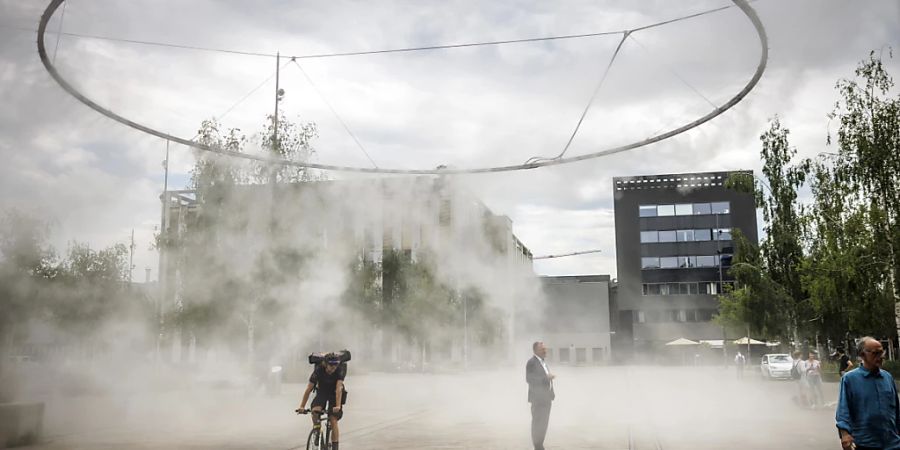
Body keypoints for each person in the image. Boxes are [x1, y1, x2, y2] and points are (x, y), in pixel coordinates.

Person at [835, 337, 900, 450]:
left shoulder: (887, 377)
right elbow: (843, 411)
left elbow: (896, 410)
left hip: (892, 443)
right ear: (862, 354)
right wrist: (845, 434)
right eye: (876, 353)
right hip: (866, 443)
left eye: (882, 352)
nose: (881, 356)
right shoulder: (849, 379)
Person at [297, 352, 347, 450]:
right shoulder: (318, 370)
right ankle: (317, 431)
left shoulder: (340, 370)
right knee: (315, 412)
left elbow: (338, 389)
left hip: (334, 393)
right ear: (325, 364)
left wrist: (337, 406)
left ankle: (335, 447)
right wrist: (302, 406)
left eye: (335, 366)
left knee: (333, 420)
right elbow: (308, 389)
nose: (333, 368)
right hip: (322, 392)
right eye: (331, 366)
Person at [526, 341, 555, 450]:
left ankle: (540, 445)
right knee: (537, 423)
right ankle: (537, 446)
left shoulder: (543, 362)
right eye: (543, 349)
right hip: (537, 399)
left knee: (544, 424)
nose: (545, 351)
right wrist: (546, 378)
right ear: (536, 350)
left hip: (546, 399)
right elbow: (529, 379)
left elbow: (547, 379)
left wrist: (552, 392)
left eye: (545, 349)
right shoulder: (531, 362)